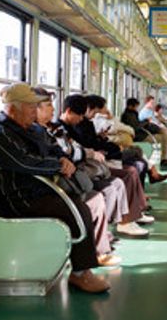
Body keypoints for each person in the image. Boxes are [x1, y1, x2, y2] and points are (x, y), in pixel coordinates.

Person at [0, 83, 109, 293]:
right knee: (78, 210)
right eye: (30, 107)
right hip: (20, 198)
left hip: (41, 190)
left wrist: (63, 159)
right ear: (12, 109)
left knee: (89, 201)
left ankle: (85, 259)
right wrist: (58, 165)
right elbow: (25, 163)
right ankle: (80, 274)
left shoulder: (35, 130)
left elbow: (54, 148)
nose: (34, 112)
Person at [32, 90, 122, 265]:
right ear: (33, 109)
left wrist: (64, 157)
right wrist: (62, 161)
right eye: (49, 105)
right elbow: (61, 153)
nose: (53, 109)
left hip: (66, 175)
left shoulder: (51, 129)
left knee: (100, 193)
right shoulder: (36, 132)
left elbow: (64, 150)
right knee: (95, 199)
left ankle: (100, 246)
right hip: (49, 184)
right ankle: (89, 261)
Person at [56, 94, 152, 238]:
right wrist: (96, 151)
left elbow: (87, 144)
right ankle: (126, 220)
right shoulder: (64, 129)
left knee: (136, 165)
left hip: (94, 162)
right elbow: (82, 147)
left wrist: (102, 141)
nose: (82, 118)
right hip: (88, 166)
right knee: (131, 171)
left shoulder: (76, 125)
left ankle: (135, 211)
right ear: (69, 111)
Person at [122, 97, 167, 167]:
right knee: (164, 138)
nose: (136, 108)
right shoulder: (128, 115)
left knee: (164, 133)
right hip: (139, 136)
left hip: (141, 133)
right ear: (130, 106)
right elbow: (136, 127)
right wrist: (146, 122)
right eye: (135, 107)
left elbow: (138, 124)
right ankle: (165, 157)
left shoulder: (132, 114)